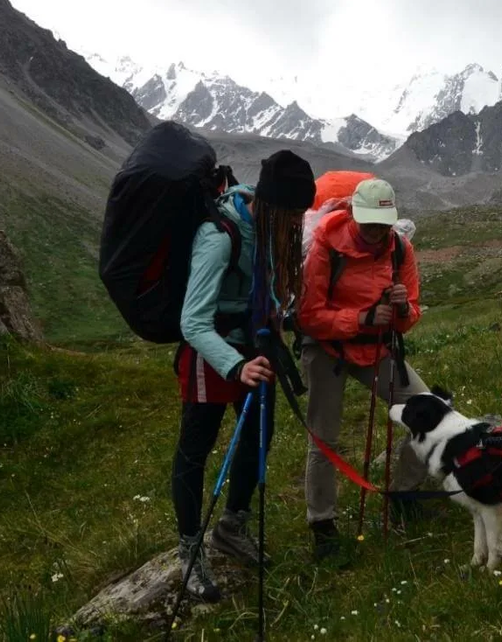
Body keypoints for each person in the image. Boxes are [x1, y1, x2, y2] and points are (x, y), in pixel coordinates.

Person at [173, 150, 315, 601]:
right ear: (272, 205)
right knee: (197, 447)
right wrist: (235, 365)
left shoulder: (272, 229)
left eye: (301, 215)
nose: (297, 225)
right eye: (292, 215)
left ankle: (232, 525)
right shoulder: (219, 237)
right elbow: (192, 321)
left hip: (255, 342)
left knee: (260, 432)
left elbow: (273, 287)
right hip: (211, 350)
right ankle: (189, 550)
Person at [296, 178, 430, 561]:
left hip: (377, 349)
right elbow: (309, 317)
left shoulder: (401, 249)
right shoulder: (325, 245)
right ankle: (322, 525)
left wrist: (403, 310)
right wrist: (363, 318)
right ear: (354, 214)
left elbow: (410, 316)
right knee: (324, 440)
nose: (375, 232)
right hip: (327, 350)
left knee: (428, 411)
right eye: (369, 223)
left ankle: (405, 494)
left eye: (382, 224)